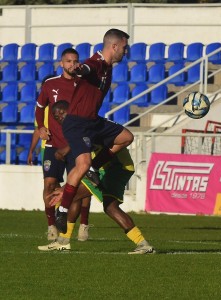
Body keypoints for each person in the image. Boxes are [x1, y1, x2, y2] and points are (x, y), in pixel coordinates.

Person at [38, 100, 155, 254]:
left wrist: (66, 185)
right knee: (110, 207)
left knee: (73, 197)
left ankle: (63, 241)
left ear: (72, 112)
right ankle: (143, 244)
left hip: (115, 167)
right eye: (55, 115)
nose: (59, 116)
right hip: (111, 168)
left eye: (62, 112)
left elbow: (101, 141)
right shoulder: (78, 129)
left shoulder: (88, 125)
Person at [55, 28, 134, 234]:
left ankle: (93, 169)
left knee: (126, 137)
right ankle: (62, 210)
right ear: (114, 46)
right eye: (124, 48)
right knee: (82, 163)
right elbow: (86, 69)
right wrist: (79, 70)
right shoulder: (96, 62)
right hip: (77, 123)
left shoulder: (108, 66)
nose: (126, 52)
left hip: (93, 121)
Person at [33, 49, 92, 241]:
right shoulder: (50, 84)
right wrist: (41, 127)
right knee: (49, 185)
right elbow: (40, 108)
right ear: (61, 63)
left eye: (75, 61)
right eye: (68, 61)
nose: (72, 65)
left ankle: (72, 228)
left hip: (76, 146)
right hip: (53, 145)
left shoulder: (85, 85)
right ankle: (51, 226)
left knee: (74, 189)